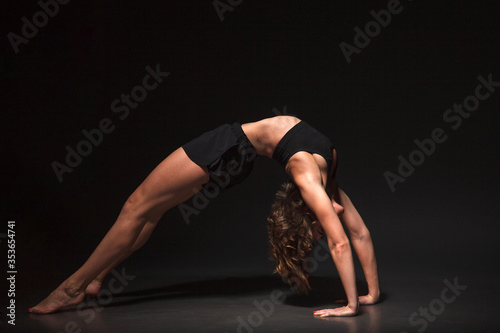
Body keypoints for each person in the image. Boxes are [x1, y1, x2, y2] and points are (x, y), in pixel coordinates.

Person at [29, 115, 379, 317]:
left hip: (230, 147)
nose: (336, 216)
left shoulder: (314, 182)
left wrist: (355, 303)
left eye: (322, 224)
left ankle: (69, 289)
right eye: (325, 223)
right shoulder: (321, 181)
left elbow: (346, 239)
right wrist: (366, 298)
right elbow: (352, 236)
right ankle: (93, 279)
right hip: (231, 151)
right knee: (150, 212)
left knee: (136, 206)